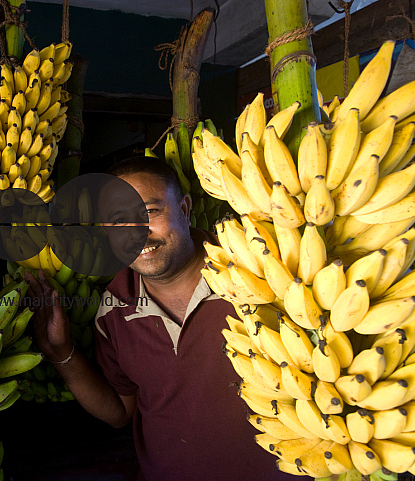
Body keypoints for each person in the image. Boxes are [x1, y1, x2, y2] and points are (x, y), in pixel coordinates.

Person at [24, 156, 302, 481]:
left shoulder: (258, 277)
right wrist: (61, 352)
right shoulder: (112, 312)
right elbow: (120, 413)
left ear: (184, 209)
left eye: (150, 212)